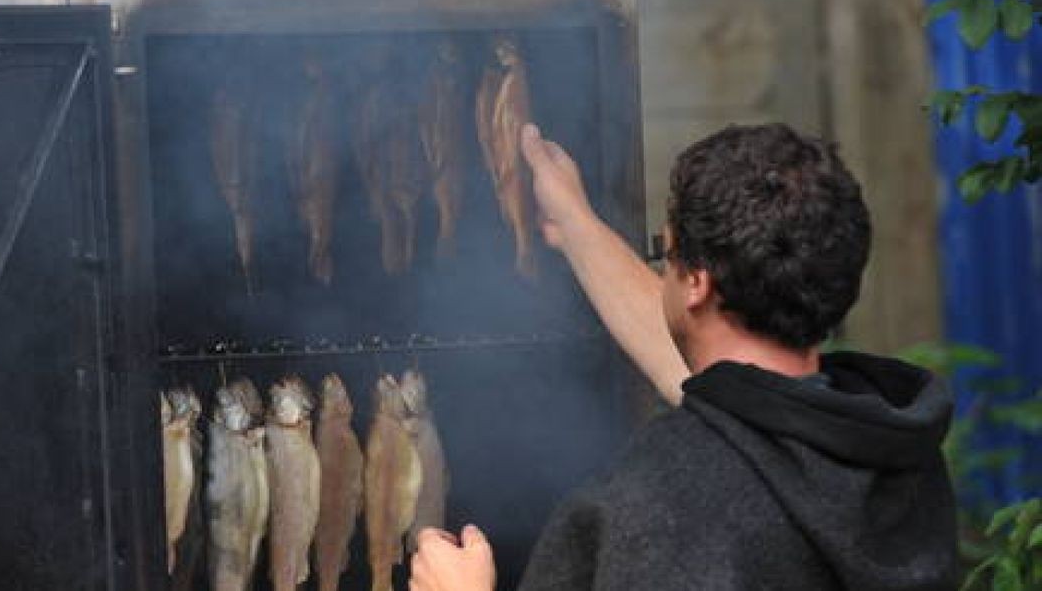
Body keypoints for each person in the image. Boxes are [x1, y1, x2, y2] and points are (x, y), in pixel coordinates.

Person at [410, 122, 958, 590]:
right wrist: (577, 227)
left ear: (696, 281)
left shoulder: (665, 507)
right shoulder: (884, 455)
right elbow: (727, 397)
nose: (663, 271)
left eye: (664, 253)